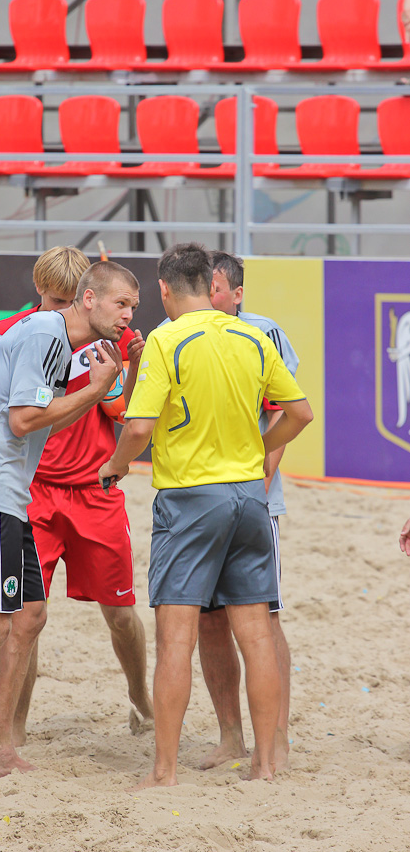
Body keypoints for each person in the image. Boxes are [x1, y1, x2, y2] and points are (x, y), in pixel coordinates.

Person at [0, 260, 140, 781]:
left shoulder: (61, 340)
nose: (129, 315)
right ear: (88, 299)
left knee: (30, 614)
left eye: (133, 306)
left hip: (5, 493)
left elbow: (66, 418)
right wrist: (94, 390)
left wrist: (106, 382)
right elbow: (23, 421)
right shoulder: (44, 334)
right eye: (121, 304)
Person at [99, 242, 313, 788]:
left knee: (176, 639)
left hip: (191, 498)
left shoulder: (166, 339)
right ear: (209, 284)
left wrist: (116, 466)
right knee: (257, 636)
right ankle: (266, 764)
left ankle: (164, 772)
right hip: (249, 496)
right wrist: (261, 451)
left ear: (165, 289)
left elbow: (139, 426)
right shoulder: (251, 336)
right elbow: (300, 414)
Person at [0, 247, 153, 747]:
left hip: (93, 491)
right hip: (31, 492)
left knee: (120, 614)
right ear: (41, 291)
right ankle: (13, 730)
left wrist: (133, 364)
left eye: (68, 301)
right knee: (24, 618)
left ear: (85, 298)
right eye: (55, 301)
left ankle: (140, 698)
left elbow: (122, 410)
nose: (62, 311)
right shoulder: (13, 331)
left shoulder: (101, 338)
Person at [198, 251, 299, 773]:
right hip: (200, 500)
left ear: (237, 294)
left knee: (264, 619)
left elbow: (283, 413)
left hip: (253, 498)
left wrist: (259, 481)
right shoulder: (181, 331)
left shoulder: (263, 332)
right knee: (209, 621)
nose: (209, 295)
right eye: (204, 286)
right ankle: (230, 736)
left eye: (216, 287)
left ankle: (275, 738)